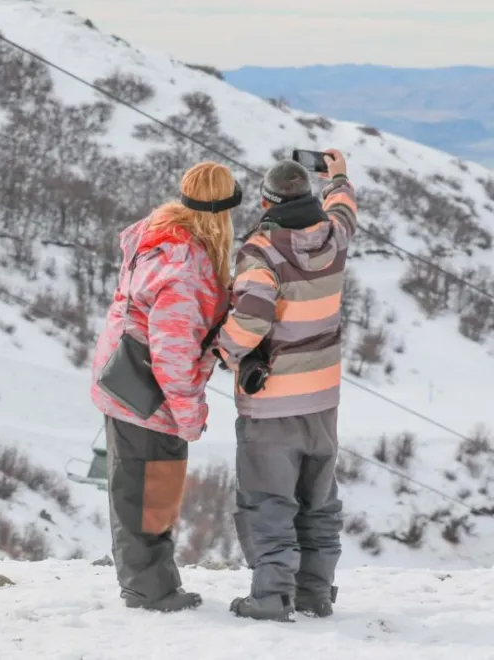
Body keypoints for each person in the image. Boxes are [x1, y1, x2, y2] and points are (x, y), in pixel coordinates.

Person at [216, 149, 357, 621]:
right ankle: (314, 594)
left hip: (272, 403)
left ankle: (272, 598)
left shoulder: (261, 253)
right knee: (317, 501)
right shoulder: (334, 238)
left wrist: (225, 350)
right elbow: (343, 209)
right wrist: (337, 176)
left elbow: (252, 318)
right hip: (323, 400)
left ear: (265, 201)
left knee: (268, 503)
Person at [90, 161, 235, 613]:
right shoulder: (185, 265)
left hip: (124, 379)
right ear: (221, 212)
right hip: (150, 395)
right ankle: (148, 590)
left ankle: (155, 583)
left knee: (147, 488)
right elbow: (171, 353)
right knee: (149, 492)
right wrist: (190, 416)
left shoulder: (158, 234)